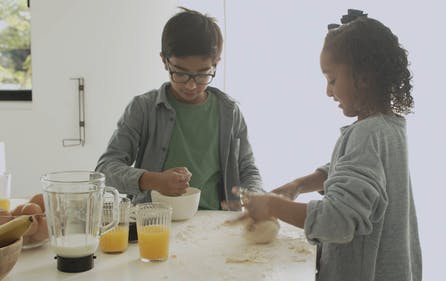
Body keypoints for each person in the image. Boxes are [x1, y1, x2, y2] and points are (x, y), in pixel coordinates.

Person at [239, 9, 422, 281]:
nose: (328, 91)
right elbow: (354, 173)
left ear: (364, 78)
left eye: (332, 80)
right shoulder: (389, 127)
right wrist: (298, 185)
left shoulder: (366, 135)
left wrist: (272, 207)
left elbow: (338, 220)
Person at [96, 7, 263, 210]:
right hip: (154, 224)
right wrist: (152, 180)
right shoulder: (143, 108)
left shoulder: (229, 111)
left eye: (203, 74)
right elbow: (105, 170)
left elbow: (248, 169)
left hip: (215, 224)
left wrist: (255, 198)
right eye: (181, 73)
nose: (191, 85)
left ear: (216, 63)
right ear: (165, 61)